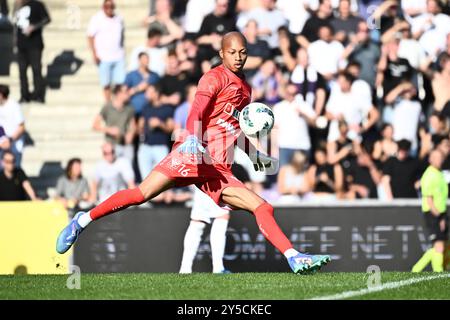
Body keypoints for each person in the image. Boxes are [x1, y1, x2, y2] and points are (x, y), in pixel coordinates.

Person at [56, 31, 331, 274]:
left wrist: (254, 153)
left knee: (262, 206)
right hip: (192, 154)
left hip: (217, 168)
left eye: (243, 52)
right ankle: (82, 220)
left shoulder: (246, 90)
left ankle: (294, 257)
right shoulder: (213, 78)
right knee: (140, 195)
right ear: (222, 54)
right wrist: (192, 137)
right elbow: (197, 111)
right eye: (232, 52)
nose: (238, 57)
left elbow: (234, 130)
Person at [179, 186, 231, 274]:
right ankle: (218, 268)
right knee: (221, 216)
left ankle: (185, 269)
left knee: (198, 221)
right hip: (214, 180)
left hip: (201, 181)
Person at [412, 149, 448, 272]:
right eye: (436, 157)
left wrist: (442, 216)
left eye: (440, 157)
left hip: (440, 213)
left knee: (440, 244)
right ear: (430, 159)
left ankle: (416, 270)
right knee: (439, 245)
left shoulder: (440, 174)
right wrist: (437, 215)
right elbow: (428, 198)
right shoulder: (429, 175)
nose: (439, 160)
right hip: (432, 213)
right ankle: (438, 273)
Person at [87, 0, 126, 102]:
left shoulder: (119, 18)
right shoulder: (96, 19)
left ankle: (118, 102)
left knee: (120, 83)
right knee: (106, 83)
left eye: (111, 6)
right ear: (103, 7)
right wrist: (94, 53)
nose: (109, 9)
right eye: (107, 6)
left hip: (118, 55)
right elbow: (90, 36)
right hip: (104, 57)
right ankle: (109, 105)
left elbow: (122, 35)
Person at [14, 0, 51, 103]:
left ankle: (38, 95)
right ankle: (24, 95)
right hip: (21, 44)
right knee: (22, 71)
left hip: (34, 44)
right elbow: (15, 24)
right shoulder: (17, 5)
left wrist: (33, 27)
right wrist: (15, 41)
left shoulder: (37, 5)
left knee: (36, 70)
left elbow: (47, 19)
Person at [92, 84, 136, 163]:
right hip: (111, 146)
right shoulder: (107, 107)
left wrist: (130, 134)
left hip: (125, 145)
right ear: (118, 94)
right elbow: (95, 125)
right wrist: (109, 130)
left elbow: (132, 125)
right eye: (126, 91)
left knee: (128, 172)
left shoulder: (129, 107)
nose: (128, 93)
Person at [124, 52, 160, 117]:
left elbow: (158, 91)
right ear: (139, 60)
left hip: (151, 110)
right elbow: (124, 92)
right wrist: (137, 89)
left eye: (147, 58)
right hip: (135, 109)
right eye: (143, 59)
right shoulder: (131, 75)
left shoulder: (154, 76)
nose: (146, 61)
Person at [0, 84, 25, 168]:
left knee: (14, 171)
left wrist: (10, 140)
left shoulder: (14, 106)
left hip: (14, 147)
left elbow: (21, 127)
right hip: (2, 146)